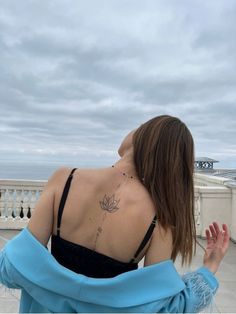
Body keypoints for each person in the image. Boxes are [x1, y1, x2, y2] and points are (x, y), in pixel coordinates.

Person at [0, 115, 230, 313]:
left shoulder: (64, 179)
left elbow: (13, 269)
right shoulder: (161, 219)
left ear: (142, 138)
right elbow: (164, 309)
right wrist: (209, 268)